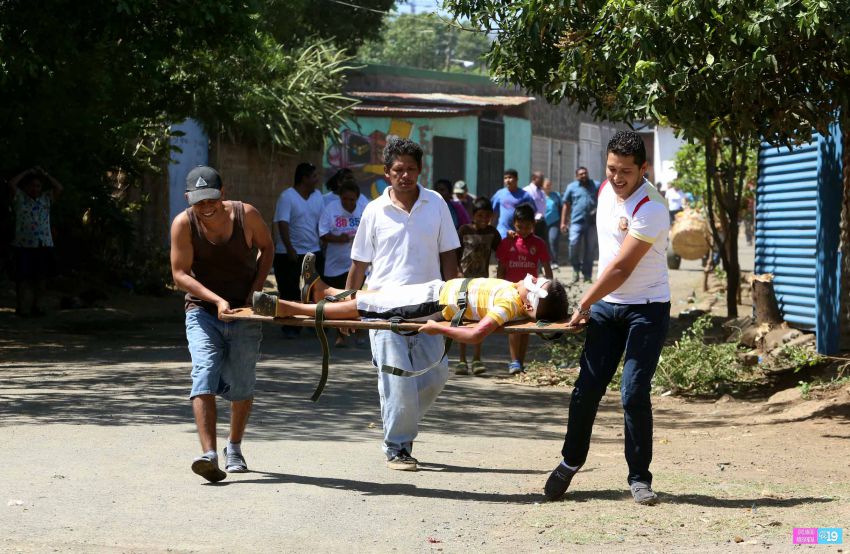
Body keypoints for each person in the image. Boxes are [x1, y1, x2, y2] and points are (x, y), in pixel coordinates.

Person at [544, 130, 671, 506]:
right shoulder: (604, 191)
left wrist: (582, 303)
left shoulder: (651, 208)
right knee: (586, 389)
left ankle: (639, 477)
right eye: (612, 169)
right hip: (607, 307)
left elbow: (621, 267)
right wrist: (594, 304)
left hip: (646, 310)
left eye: (626, 172)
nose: (618, 178)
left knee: (633, 393)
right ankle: (570, 462)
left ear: (643, 169)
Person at [345, 137, 460, 471]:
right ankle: (397, 446)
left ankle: (400, 422)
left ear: (420, 170)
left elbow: (449, 256)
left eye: (411, 169)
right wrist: (349, 308)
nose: (405, 175)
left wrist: (455, 305)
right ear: (386, 173)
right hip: (383, 309)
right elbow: (358, 265)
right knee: (396, 378)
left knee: (436, 375)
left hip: (430, 305)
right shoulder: (373, 210)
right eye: (398, 170)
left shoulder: (436, 203)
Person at [169, 165, 274, 483]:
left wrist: (256, 289)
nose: (206, 206)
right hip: (202, 311)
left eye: (211, 199)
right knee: (204, 372)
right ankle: (209, 455)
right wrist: (216, 301)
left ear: (223, 194)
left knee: (242, 381)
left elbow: (267, 248)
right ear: (188, 199)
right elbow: (180, 274)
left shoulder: (247, 215)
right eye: (199, 201)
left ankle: (235, 447)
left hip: (244, 311)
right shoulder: (183, 225)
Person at [254, 267, 567, 345]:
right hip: (436, 291)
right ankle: (324, 290)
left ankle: (288, 307)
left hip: (434, 304)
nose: (532, 277)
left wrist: (437, 328)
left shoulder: (509, 304)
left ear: (530, 302)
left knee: (365, 306)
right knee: (375, 295)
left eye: (536, 282)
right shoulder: (514, 292)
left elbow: (477, 335)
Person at [496, 204, 553, 374]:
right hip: (511, 290)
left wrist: (551, 286)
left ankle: (521, 362)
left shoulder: (539, 243)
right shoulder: (507, 242)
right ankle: (514, 361)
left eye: (527, 226)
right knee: (515, 326)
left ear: (533, 226)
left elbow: (546, 266)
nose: (523, 230)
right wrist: (498, 284)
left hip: (531, 291)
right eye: (520, 226)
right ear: (514, 224)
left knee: (527, 327)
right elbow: (501, 266)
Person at [273, 162, 324, 338]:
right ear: (305, 178)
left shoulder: (318, 196)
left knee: (314, 290)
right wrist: (289, 248)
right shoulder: (287, 197)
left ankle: (312, 322)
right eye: (314, 176)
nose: (317, 180)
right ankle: (290, 326)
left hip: (313, 251)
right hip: (288, 253)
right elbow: (282, 223)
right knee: (289, 290)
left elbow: (321, 222)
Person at [455, 197, 502, 375]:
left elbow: (503, 251)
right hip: (463, 281)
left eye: (487, 216)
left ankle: (476, 358)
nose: (484, 219)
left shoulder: (493, 233)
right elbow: (455, 253)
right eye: (480, 215)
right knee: (461, 317)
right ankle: (461, 360)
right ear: (473, 215)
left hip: (482, 282)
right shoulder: (464, 230)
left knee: (479, 319)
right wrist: (457, 272)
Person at [7, 167, 62, 317]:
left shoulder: (46, 198)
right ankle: (21, 307)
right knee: (22, 278)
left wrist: (46, 174)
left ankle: (36, 306)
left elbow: (59, 187)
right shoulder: (20, 198)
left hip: (43, 243)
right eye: (32, 185)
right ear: (26, 187)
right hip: (23, 244)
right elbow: (11, 184)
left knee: (41, 278)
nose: (35, 189)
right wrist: (27, 172)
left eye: (38, 186)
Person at [318, 181, 364, 347]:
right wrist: (339, 239)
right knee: (338, 300)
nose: (348, 203)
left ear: (357, 199)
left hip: (357, 264)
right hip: (335, 264)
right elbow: (322, 233)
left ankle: (359, 330)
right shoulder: (331, 209)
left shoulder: (363, 210)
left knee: (356, 297)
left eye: (352, 200)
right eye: (345, 199)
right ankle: (340, 334)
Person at [560, 167, 599, 283]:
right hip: (576, 222)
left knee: (590, 249)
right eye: (581, 174)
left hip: (592, 223)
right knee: (573, 244)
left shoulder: (596, 185)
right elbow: (566, 205)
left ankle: (587, 275)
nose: (584, 175)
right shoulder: (571, 187)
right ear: (577, 176)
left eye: (585, 173)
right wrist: (563, 222)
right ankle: (576, 268)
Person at [491, 168, 534, 238]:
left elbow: (531, 215)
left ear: (516, 179)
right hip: (502, 233)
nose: (507, 180)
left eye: (510, 177)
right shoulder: (500, 194)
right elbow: (493, 213)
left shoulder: (525, 195)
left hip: (520, 233)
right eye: (505, 178)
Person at [542, 178, 563, 270]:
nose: (549, 186)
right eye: (547, 184)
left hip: (554, 221)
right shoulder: (539, 195)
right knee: (542, 242)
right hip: (541, 222)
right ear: (542, 185)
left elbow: (562, 208)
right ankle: (544, 262)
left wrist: (564, 221)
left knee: (553, 239)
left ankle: (554, 261)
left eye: (550, 184)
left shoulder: (556, 195)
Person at [524, 170, 548, 239]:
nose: (543, 181)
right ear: (534, 178)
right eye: (541, 179)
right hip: (532, 222)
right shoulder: (526, 191)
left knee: (542, 243)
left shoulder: (542, 192)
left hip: (542, 221)